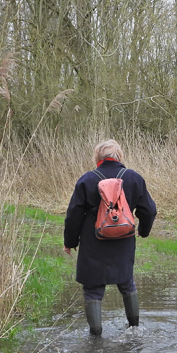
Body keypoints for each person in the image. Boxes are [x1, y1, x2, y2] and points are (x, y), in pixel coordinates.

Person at [64, 140, 156, 335]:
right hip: (123, 240)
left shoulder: (87, 179)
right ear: (119, 157)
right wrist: (143, 230)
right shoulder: (133, 178)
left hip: (93, 241)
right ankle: (134, 329)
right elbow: (149, 210)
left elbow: (74, 214)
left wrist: (70, 242)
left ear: (97, 158)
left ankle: (95, 338)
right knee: (127, 282)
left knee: (92, 290)